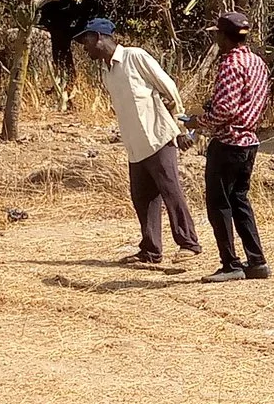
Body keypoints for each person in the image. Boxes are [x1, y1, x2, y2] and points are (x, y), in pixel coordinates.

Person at [75, 18, 201, 266]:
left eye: (86, 40)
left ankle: (189, 244)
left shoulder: (135, 57)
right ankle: (151, 251)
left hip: (158, 138)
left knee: (171, 192)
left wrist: (180, 128)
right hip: (134, 145)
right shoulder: (106, 72)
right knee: (142, 199)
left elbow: (168, 88)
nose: (85, 47)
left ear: (99, 37)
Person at [197, 9, 272, 282]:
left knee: (219, 204)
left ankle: (230, 264)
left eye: (217, 34)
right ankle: (257, 261)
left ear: (223, 36)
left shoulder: (231, 63)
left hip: (229, 142)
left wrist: (199, 121)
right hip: (249, 142)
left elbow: (225, 109)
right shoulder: (257, 62)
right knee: (240, 200)